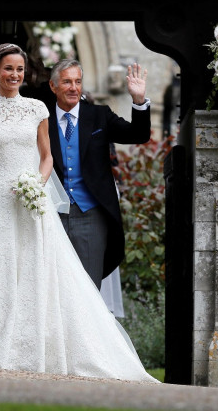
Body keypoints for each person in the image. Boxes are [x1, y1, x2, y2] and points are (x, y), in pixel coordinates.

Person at [0, 43, 157, 382]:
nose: (14, 75)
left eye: (20, 70)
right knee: (2, 273)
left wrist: (36, 185)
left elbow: (52, 157)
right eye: (9, 69)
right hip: (4, 199)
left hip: (53, 205)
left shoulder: (66, 112)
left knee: (63, 281)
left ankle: (63, 348)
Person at [48, 59, 151, 288]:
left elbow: (138, 134)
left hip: (90, 215)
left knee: (87, 289)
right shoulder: (41, 117)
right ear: (53, 86)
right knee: (52, 288)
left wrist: (138, 100)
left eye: (78, 81)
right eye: (67, 82)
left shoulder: (99, 115)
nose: (74, 88)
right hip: (51, 215)